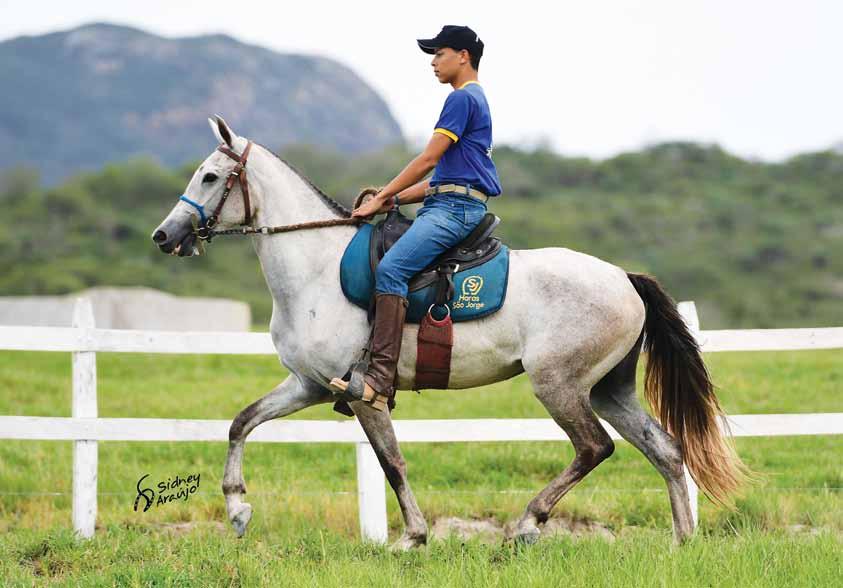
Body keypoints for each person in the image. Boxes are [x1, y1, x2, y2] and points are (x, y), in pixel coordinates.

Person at [329, 25, 502, 411]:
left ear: (463, 56)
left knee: (391, 271)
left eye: (439, 54)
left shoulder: (461, 100)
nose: (433, 62)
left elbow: (427, 161)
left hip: (454, 210)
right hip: (450, 201)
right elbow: (442, 180)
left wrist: (384, 195)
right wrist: (392, 199)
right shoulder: (475, 100)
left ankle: (377, 380)